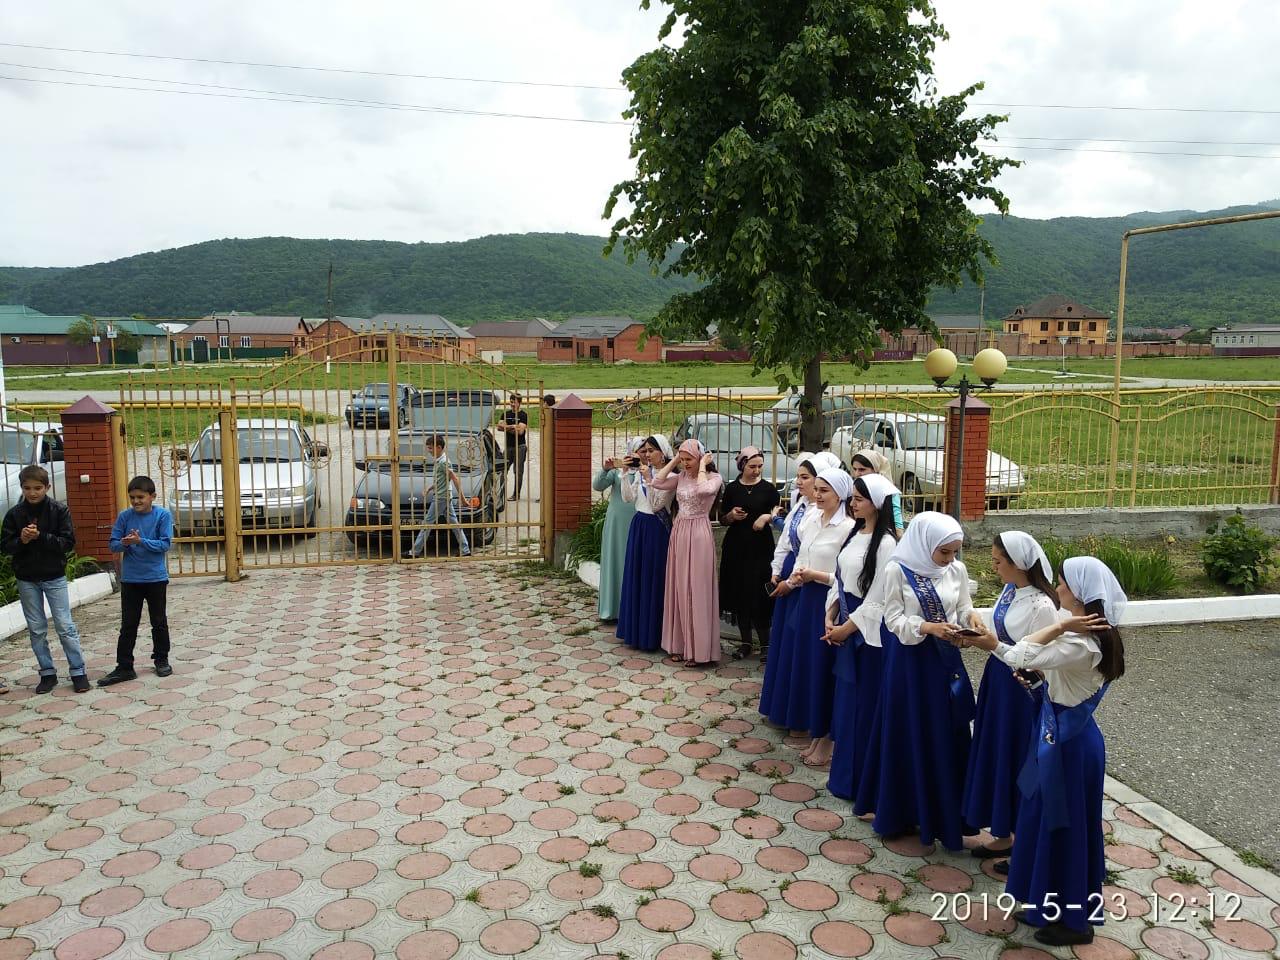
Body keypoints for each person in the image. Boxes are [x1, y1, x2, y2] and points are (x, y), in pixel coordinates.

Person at [956, 556, 1125, 948]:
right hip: (1062, 736)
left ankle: (1076, 922)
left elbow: (1019, 652)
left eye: (1063, 584)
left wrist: (1060, 625)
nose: (1058, 588)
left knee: (1062, 826)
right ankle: (1045, 900)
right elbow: (1050, 675)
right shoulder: (1091, 637)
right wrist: (1040, 678)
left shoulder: (1080, 642)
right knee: (1040, 818)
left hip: (1067, 747)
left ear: (1081, 596)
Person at [854, 512, 977, 851]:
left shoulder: (956, 570)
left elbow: (963, 606)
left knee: (944, 732)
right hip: (910, 663)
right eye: (944, 552)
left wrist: (973, 619)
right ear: (925, 545)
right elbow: (892, 618)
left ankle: (946, 813)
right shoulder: (898, 569)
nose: (950, 559)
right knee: (909, 731)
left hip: (944, 663)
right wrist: (928, 627)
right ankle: (902, 812)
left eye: (954, 552)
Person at [961, 531, 1060, 862]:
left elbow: (1035, 659)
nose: (994, 567)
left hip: (1020, 690)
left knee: (1015, 755)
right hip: (998, 681)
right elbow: (1002, 634)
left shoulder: (1042, 606)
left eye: (998, 561)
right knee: (996, 751)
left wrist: (992, 645)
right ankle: (1002, 832)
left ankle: (1021, 835)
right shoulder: (1010, 590)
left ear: (1018, 564)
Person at [759, 467, 855, 766]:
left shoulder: (847, 528)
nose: (817, 495)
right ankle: (815, 731)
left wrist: (814, 576)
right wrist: (795, 580)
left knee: (823, 668)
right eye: (818, 489)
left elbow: (842, 576)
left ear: (841, 494)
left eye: (824, 491)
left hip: (826, 601)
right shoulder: (813, 517)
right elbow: (802, 556)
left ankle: (827, 738)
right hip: (805, 596)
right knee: (807, 663)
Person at [822, 474, 900, 799]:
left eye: (859, 499)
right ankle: (843, 777)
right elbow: (840, 580)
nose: (852, 503)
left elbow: (878, 599)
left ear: (877, 505)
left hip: (868, 634)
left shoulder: (886, 544)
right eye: (852, 498)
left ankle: (862, 783)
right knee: (845, 704)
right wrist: (830, 613)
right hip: (846, 619)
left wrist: (846, 627)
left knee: (864, 706)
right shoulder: (855, 535)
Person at [1, 465, 90, 694]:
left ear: (47, 487)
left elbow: (68, 543)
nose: (33, 493)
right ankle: (47, 672)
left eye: (38, 488)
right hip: (27, 578)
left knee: (64, 625)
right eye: (27, 488)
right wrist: (22, 539)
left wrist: (41, 537)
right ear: (21, 488)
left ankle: (78, 671)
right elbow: (6, 547)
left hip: (54, 576)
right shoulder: (14, 514)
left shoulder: (59, 510)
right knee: (37, 628)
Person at [650, 439, 723, 665]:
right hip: (680, 532)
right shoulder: (680, 476)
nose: (685, 463)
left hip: (699, 533)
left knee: (697, 587)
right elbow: (656, 481)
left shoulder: (714, 478)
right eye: (683, 459)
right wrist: (674, 460)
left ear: (701, 457)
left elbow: (703, 490)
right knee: (679, 585)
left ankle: (699, 649)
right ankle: (679, 644)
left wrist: (702, 466)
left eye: (688, 459)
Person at [99, 476, 174, 686]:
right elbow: (113, 545)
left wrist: (141, 541)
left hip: (155, 578)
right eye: (132, 498)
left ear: (152, 496)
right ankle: (124, 666)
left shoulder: (163, 516)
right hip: (131, 579)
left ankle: (161, 659)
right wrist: (125, 544)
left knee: (158, 621)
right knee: (128, 624)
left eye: (140, 497)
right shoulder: (124, 517)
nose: (136, 502)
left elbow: (164, 544)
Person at [717, 446, 781, 659]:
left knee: (760, 593)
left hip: (761, 549)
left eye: (760, 466)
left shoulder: (769, 490)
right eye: (752, 466)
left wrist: (767, 518)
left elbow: (778, 515)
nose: (756, 470)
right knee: (739, 592)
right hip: (736, 548)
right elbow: (722, 518)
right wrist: (731, 516)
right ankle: (745, 643)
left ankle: (765, 645)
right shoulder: (733, 488)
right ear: (742, 465)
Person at [616, 436, 675, 652]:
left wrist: (649, 478)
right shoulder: (642, 473)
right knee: (636, 576)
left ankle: (653, 634)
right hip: (639, 525)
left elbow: (657, 504)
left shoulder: (671, 476)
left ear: (663, 452)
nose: (647, 454)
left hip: (656, 529)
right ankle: (634, 631)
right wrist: (625, 474)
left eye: (652, 450)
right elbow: (627, 498)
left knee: (653, 578)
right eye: (646, 451)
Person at [592, 438, 644, 621]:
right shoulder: (617, 471)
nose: (641, 455)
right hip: (617, 523)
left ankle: (633, 610)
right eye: (638, 451)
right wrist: (606, 468)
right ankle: (612, 609)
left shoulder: (649, 472)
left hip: (640, 523)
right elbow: (597, 485)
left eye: (645, 451)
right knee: (616, 562)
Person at [408, 435, 471, 558]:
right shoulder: (440, 461)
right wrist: (429, 488)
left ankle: (414, 552)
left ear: (439, 447)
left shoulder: (444, 462)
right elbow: (441, 480)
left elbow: (455, 479)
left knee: (427, 524)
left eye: (431, 448)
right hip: (444, 496)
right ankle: (465, 549)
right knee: (455, 525)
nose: (429, 451)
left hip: (441, 498)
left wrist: (462, 499)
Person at [849, 449, 905, 536]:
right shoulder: (853, 487)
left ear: (875, 469)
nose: (857, 474)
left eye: (862, 470)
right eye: (855, 469)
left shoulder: (887, 490)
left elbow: (896, 519)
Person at [496, 393, 529, 500]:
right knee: (502, 470)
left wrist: (506, 427)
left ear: (519, 403)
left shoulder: (523, 415)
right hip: (508, 446)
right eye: (511, 402)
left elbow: (520, 432)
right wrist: (512, 426)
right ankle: (501, 493)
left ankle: (516, 494)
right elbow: (499, 427)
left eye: (514, 402)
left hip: (520, 446)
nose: (512, 404)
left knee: (518, 472)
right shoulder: (506, 414)